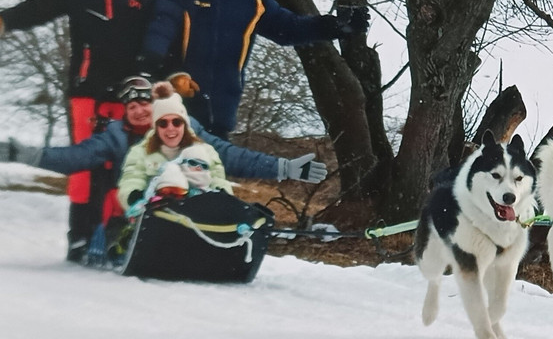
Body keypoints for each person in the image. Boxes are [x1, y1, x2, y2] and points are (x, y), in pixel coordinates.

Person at [2, 75, 328, 262]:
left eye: (146, 103)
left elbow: (231, 155)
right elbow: (72, 158)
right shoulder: (115, 137)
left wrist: (286, 166)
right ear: (125, 111)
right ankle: (125, 242)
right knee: (119, 193)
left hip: (191, 198)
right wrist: (25, 153)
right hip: (140, 206)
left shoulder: (184, 126)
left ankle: (225, 240)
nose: (141, 110)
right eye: (133, 106)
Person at [0, 0, 158, 261]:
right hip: (87, 89)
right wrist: (5, 21)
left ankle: (119, 236)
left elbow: (163, 35)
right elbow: (39, 7)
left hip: (131, 93)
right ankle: (80, 238)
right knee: (84, 165)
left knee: (128, 164)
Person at [138, 0, 366, 137]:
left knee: (211, 174)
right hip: (176, 107)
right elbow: (162, 25)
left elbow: (288, 28)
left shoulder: (249, 1)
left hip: (220, 113)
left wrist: (336, 26)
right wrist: (152, 63)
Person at [117, 82, 232, 210]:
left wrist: (222, 194)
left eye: (176, 122)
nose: (170, 128)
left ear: (185, 125)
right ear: (156, 127)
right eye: (163, 123)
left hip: (198, 213)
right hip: (155, 213)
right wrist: (134, 196)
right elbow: (131, 179)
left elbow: (218, 179)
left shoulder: (205, 151)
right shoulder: (140, 152)